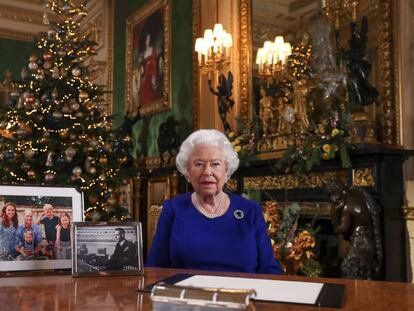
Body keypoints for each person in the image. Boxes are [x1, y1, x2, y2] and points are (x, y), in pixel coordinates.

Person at [146, 129, 283, 274]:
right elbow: (155, 267)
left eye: (215, 164)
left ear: (226, 170)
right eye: (199, 164)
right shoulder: (173, 209)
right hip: (186, 293)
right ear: (187, 171)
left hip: (242, 294)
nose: (207, 172)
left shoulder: (250, 211)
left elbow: (269, 268)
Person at [138, 33, 162, 106]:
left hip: (152, 73)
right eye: (147, 39)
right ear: (145, 41)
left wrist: (154, 76)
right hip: (145, 74)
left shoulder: (153, 50)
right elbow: (143, 66)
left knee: (151, 92)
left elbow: (154, 63)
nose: (148, 41)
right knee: (143, 86)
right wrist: (141, 65)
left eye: (149, 39)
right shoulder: (144, 53)